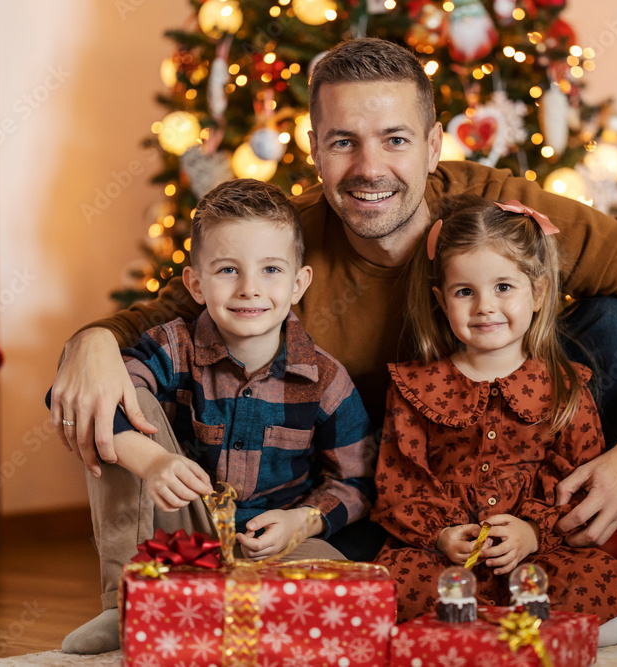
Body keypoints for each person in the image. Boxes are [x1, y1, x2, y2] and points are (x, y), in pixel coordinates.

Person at [50, 37, 617, 557]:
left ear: (433, 144)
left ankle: (540, 537)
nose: (370, 169)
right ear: (314, 147)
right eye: (343, 143)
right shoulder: (282, 247)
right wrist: (90, 341)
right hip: (374, 488)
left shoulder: (503, 215)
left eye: (394, 139)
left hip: (518, 461)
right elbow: (156, 322)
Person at [372, 196, 617, 645]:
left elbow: (573, 478)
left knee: (579, 598)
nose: (485, 306)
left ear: (539, 292)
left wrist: (532, 531)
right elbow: (400, 480)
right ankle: (486, 635)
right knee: (391, 605)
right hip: (441, 561)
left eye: (504, 287)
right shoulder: (413, 387)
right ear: (441, 299)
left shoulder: (565, 388)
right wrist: (443, 534)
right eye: (465, 292)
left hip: (535, 559)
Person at [57, 179, 377, 653]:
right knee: (119, 393)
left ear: (298, 283)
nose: (250, 289)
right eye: (228, 269)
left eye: (270, 269)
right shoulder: (174, 346)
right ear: (196, 283)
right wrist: (152, 462)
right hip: (187, 524)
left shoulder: (325, 379)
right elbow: (83, 396)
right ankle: (127, 602)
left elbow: (356, 482)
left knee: (340, 600)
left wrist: (304, 523)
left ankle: (219, 609)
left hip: (279, 540)